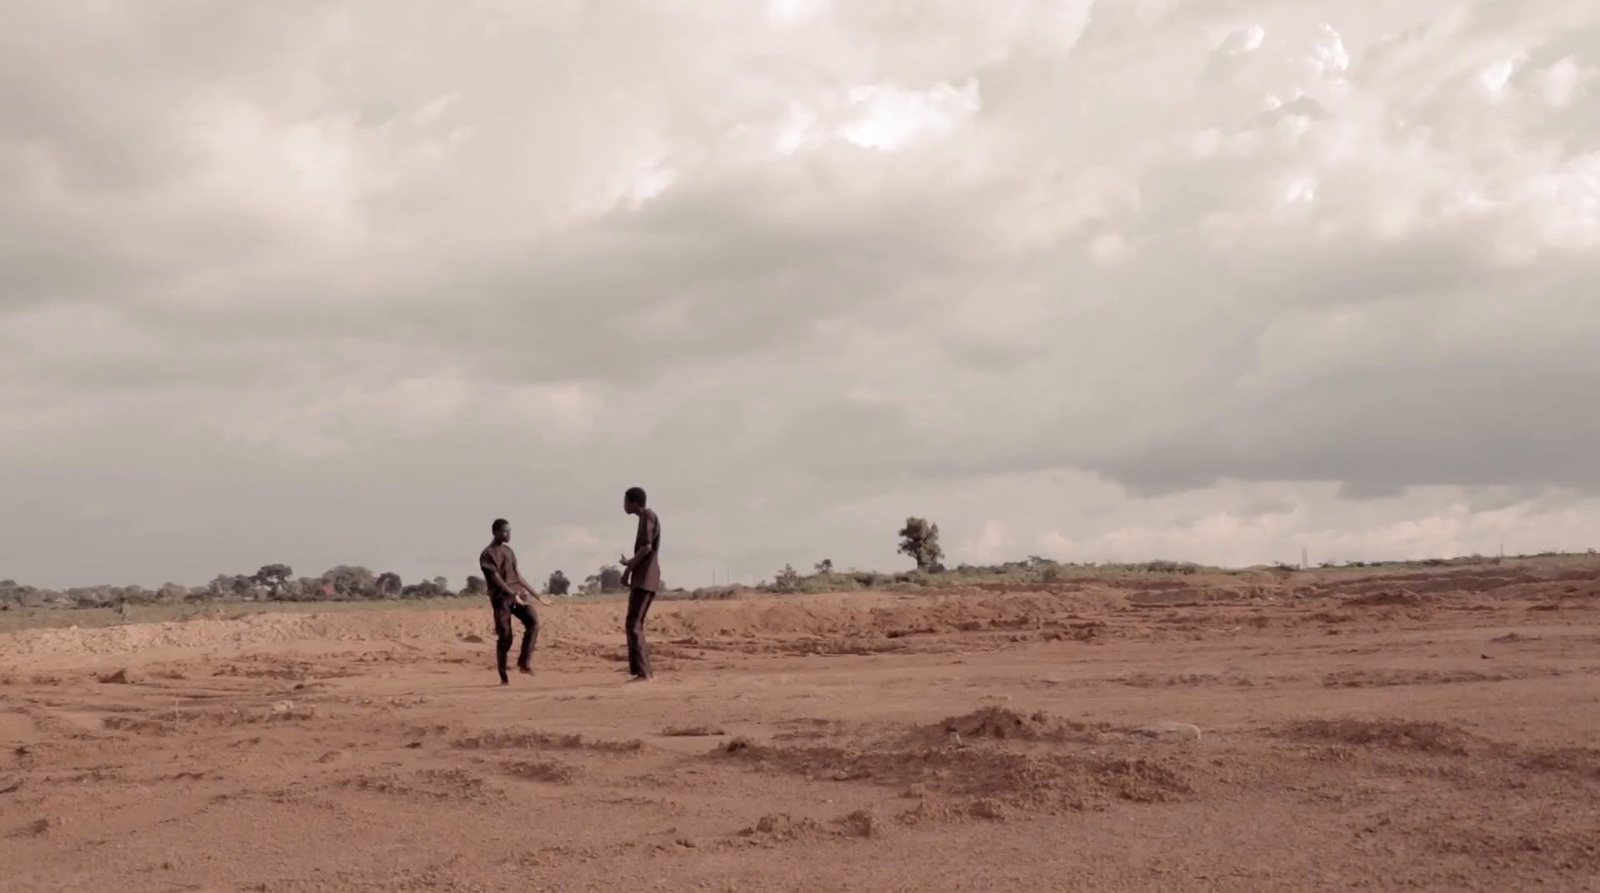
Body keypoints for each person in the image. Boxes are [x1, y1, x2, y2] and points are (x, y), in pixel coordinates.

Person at [479, 518, 551, 685]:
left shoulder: (509, 551)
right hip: (501, 599)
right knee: (505, 636)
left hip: (517, 595)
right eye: (505, 531)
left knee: (533, 622)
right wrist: (512, 594)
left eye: (509, 531)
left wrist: (537, 595)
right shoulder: (487, 554)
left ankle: (524, 663)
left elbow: (517, 575)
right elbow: (495, 578)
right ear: (495, 532)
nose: (508, 534)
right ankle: (503, 677)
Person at [617, 487, 661, 682]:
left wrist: (628, 570)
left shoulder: (646, 515)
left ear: (633, 502)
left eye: (625, 501)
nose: (624, 505)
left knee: (634, 625)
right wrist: (630, 564)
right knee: (634, 624)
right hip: (644, 578)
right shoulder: (647, 517)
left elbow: (646, 548)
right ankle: (641, 671)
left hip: (644, 579)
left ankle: (644, 673)